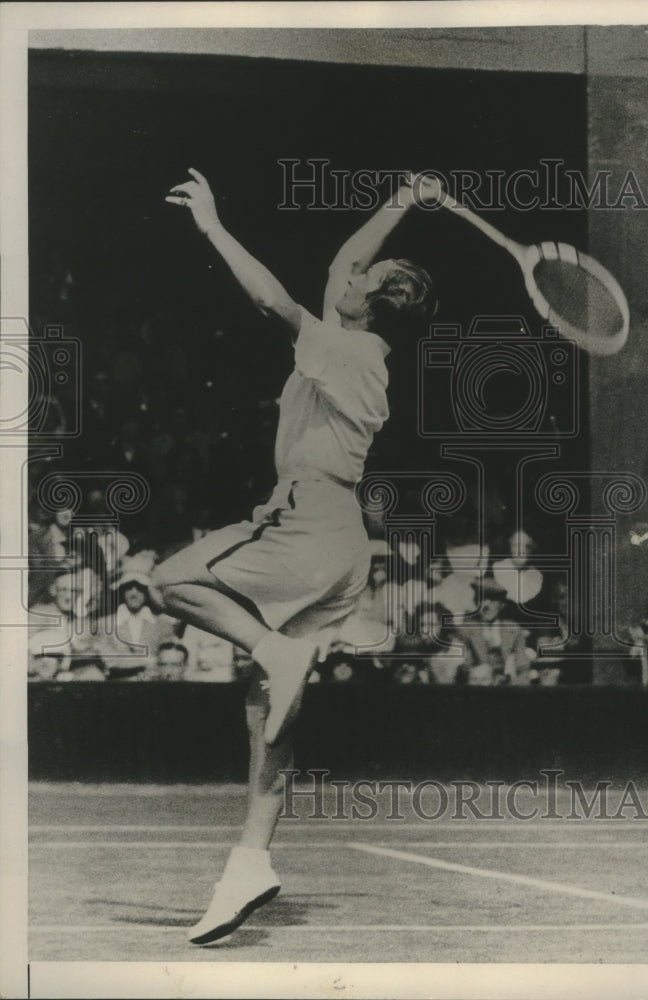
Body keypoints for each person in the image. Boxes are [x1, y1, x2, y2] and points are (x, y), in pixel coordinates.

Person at [151, 167, 439, 944]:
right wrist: (401, 204)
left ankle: (273, 648)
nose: (347, 272)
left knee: (169, 579)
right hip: (340, 539)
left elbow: (272, 301)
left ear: (371, 305)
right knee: (266, 714)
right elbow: (347, 255)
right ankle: (250, 864)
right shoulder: (360, 342)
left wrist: (212, 224)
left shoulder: (346, 350)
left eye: (363, 278)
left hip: (305, 520)